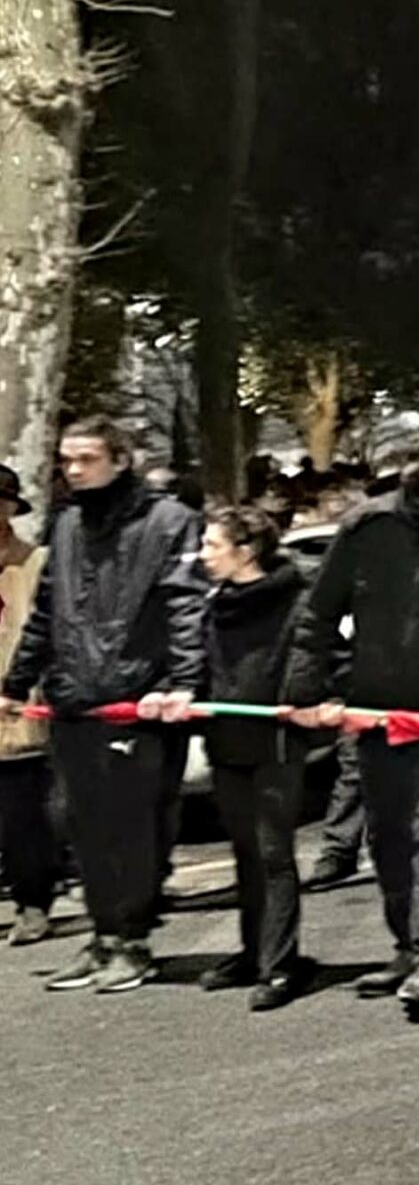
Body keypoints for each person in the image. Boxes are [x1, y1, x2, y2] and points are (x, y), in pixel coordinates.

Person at [280, 432, 419, 1020]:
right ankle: (406, 946)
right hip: (373, 710)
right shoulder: (368, 529)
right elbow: (320, 610)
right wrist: (308, 689)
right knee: (387, 837)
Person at [1, 421, 205, 994]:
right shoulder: (66, 523)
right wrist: (19, 682)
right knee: (80, 824)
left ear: (121, 459)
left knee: (135, 826)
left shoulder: (169, 521)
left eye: (86, 459)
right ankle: (102, 934)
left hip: (138, 698)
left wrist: (183, 682)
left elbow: (185, 606)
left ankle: (132, 939)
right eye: (66, 460)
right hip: (73, 698)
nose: (73, 470)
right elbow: (47, 611)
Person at [197, 506, 317, 1010]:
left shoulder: (296, 602)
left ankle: (281, 964)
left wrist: (304, 698)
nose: (202, 556)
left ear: (245, 552)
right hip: (227, 741)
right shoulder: (215, 603)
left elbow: (314, 659)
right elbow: (200, 664)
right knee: (245, 852)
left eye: (212, 545)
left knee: (273, 853)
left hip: (275, 743)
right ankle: (253, 950)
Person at [0, 464, 59, 947]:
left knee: (23, 818)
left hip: (21, 710)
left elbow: (49, 633)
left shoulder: (37, 562)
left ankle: (32, 903)